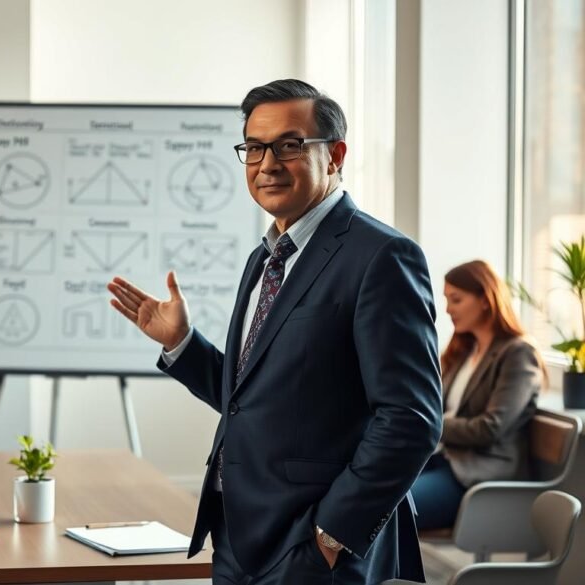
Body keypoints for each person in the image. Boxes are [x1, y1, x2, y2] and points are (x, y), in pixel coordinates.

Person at [107, 79, 442, 584]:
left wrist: (330, 537)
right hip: (240, 535)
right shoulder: (265, 257)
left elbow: (410, 419)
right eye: (254, 148)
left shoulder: (381, 256)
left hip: (316, 546)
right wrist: (181, 344)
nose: (267, 164)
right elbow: (254, 397)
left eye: (289, 145)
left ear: (335, 155)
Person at [411, 260, 543, 530]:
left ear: (485, 299)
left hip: (476, 476)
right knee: (368, 496)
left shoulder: (518, 353)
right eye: (446, 300)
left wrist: (431, 423)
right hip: (441, 460)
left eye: (456, 300)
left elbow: (490, 428)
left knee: (390, 511)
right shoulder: (463, 352)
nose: (447, 309)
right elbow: (430, 403)